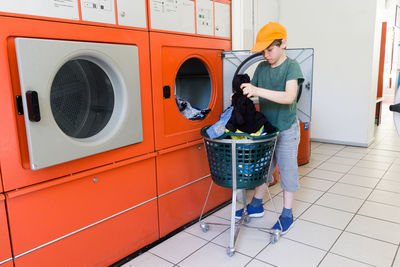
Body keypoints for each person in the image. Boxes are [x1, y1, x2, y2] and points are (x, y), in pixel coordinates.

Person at [235, 22, 304, 234]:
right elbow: (254, 93)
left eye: (270, 50)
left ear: (283, 43)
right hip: (267, 130)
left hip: (286, 129)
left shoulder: (292, 67)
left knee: (287, 170)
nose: (266, 55)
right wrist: (241, 95)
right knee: (263, 168)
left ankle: (287, 214)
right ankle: (256, 204)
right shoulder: (262, 68)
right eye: (263, 51)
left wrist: (257, 90)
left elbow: (289, 96)